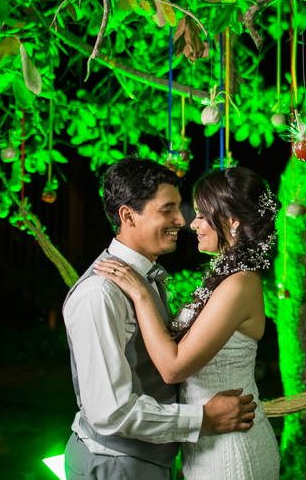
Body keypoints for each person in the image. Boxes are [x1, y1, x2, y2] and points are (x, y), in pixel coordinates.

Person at [63, 158, 258, 480]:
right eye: (167, 210)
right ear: (128, 215)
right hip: (114, 463)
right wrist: (202, 419)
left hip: (145, 463)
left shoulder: (146, 278)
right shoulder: (100, 292)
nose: (181, 221)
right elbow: (109, 413)